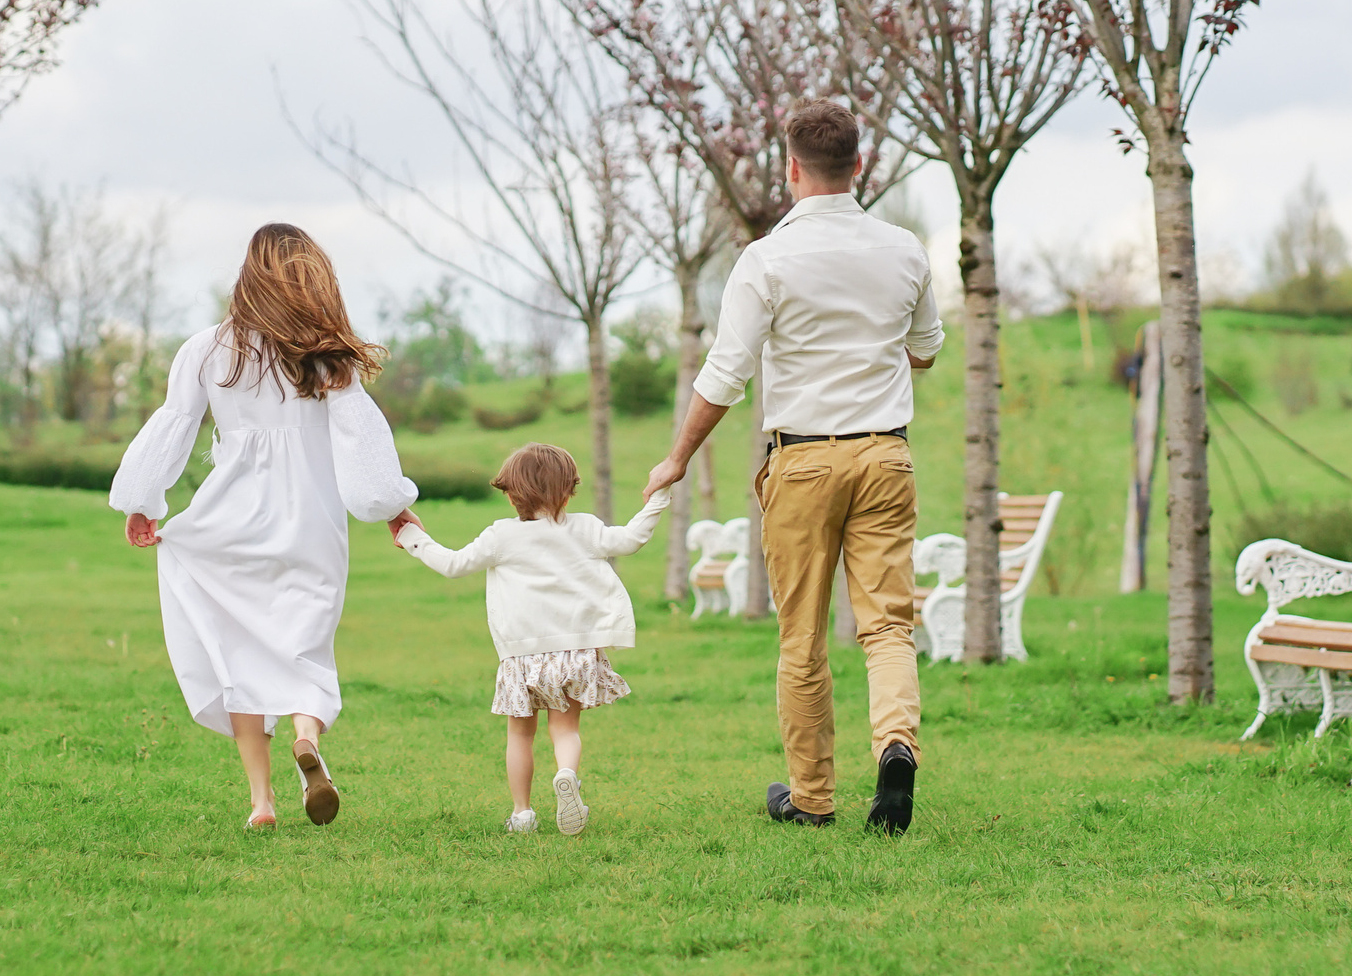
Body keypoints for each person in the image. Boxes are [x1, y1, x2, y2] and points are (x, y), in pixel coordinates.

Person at [641, 100, 944, 835]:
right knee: (888, 629)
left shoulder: (767, 259)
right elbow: (927, 349)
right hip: (884, 453)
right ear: (860, 166)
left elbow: (725, 375)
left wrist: (677, 458)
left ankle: (812, 798)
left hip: (803, 462)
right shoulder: (904, 249)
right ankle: (897, 746)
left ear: (792, 169)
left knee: (802, 636)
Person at [109, 223, 417, 830]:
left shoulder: (205, 349)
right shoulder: (327, 355)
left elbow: (174, 428)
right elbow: (363, 444)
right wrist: (390, 505)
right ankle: (307, 737)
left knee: (234, 651)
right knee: (304, 640)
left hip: (229, 518)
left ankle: (262, 802)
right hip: (311, 517)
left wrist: (142, 502)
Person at [390, 443, 669, 836]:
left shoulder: (501, 535)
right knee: (566, 729)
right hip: (576, 652)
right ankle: (567, 774)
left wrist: (411, 535)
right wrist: (660, 495)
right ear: (570, 490)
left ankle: (522, 814)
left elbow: (453, 565)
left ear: (511, 493)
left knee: (520, 734)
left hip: (522, 657)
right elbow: (632, 539)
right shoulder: (586, 527)